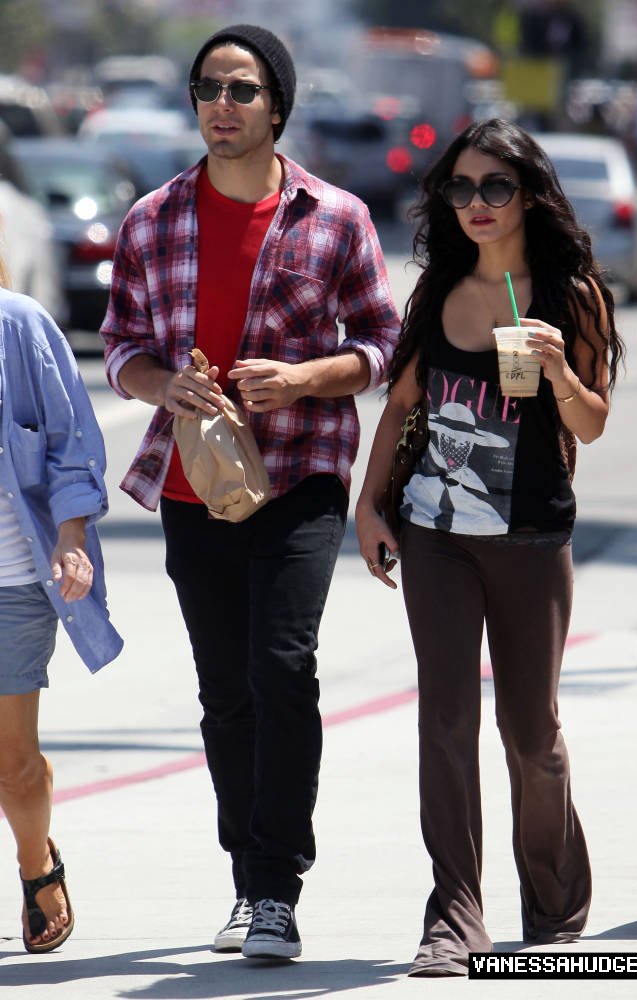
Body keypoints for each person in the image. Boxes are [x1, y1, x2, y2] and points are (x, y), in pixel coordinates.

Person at [100, 24, 399, 961]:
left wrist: (308, 378)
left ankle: (275, 889)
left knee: (282, 666)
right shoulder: (151, 219)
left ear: (278, 105)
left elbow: (385, 345)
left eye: (239, 89)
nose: (218, 106)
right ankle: (245, 879)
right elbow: (119, 348)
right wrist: (163, 385)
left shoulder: (336, 216)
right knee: (225, 694)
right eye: (206, 89)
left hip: (303, 474)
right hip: (195, 483)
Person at [356, 118, 624, 976]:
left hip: (530, 533)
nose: (475, 204)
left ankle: (552, 903)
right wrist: (371, 505)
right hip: (437, 534)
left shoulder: (570, 293)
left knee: (530, 729)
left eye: (495, 188)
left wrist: (558, 371)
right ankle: (454, 917)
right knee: (444, 720)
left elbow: (591, 420)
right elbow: (401, 406)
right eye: (460, 188)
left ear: (528, 196)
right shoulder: (437, 291)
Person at [0, 262, 123, 953]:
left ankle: (33, 860)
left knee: (13, 766)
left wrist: (72, 536)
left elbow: (72, 443)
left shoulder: (18, 326)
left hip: (12, 579)